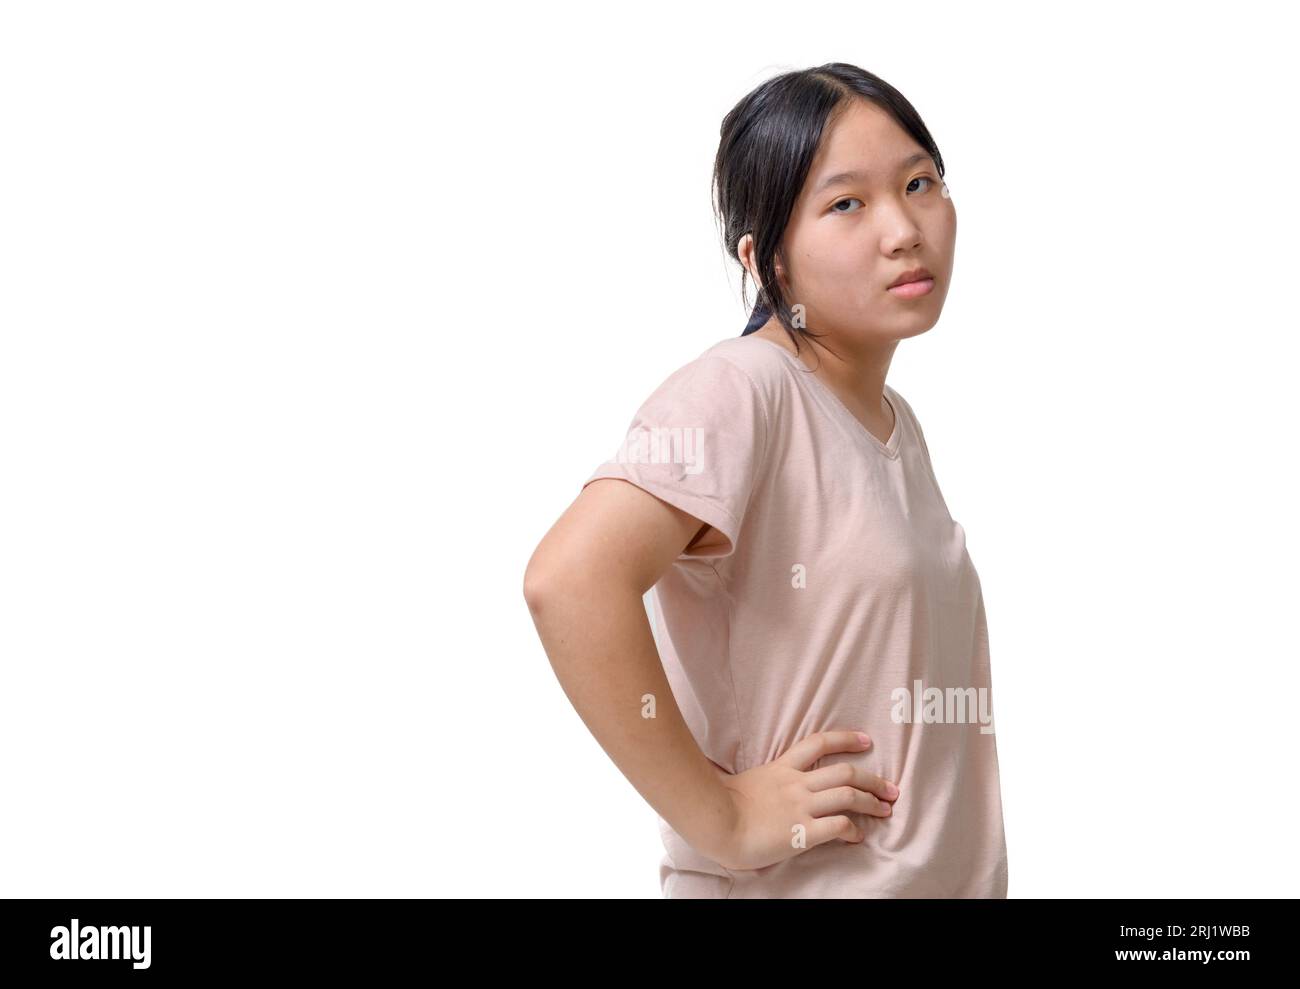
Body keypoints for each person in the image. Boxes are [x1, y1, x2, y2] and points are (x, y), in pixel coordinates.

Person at [524, 62, 1008, 898]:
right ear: (765, 258)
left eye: (920, 182)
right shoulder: (745, 388)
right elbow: (568, 580)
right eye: (845, 203)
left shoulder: (892, 423)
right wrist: (726, 816)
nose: (904, 228)